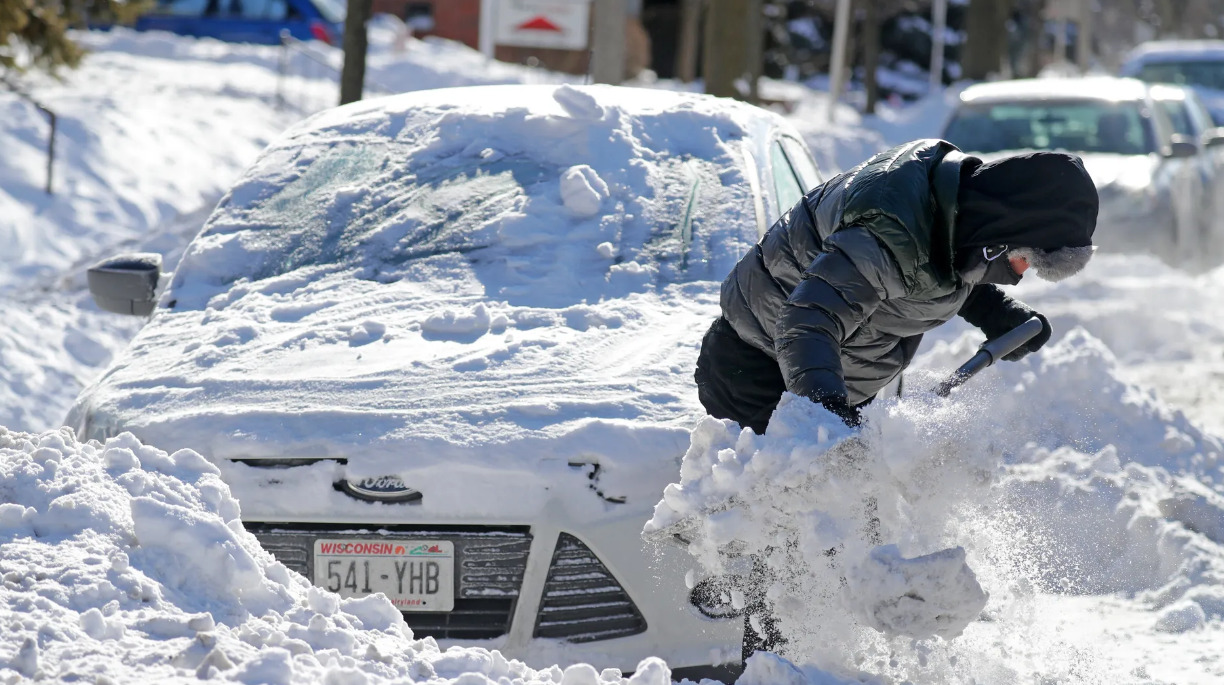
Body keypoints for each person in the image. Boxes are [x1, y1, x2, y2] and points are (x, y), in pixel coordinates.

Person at [693, 139, 1099, 659]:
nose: (1018, 271)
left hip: (834, 387)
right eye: (1021, 258)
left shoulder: (955, 217)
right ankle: (768, 667)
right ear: (999, 232)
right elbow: (805, 321)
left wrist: (998, 313)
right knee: (795, 550)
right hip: (763, 373)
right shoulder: (889, 226)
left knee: (848, 540)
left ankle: (827, 662)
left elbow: (942, 269)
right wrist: (823, 415)